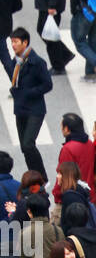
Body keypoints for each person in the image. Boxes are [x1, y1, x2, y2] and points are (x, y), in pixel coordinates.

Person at [4, 28, 53, 177]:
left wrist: (28, 93)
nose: (13, 45)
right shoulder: (16, 61)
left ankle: (41, 176)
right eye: (12, 42)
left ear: (25, 43)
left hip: (35, 109)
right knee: (24, 148)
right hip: (20, 108)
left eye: (16, 42)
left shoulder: (37, 62)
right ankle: (34, 175)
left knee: (28, 144)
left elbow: (47, 85)